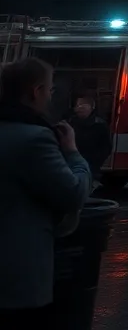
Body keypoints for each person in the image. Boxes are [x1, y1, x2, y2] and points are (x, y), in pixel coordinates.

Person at [0, 58, 92, 327]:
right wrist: (74, 154)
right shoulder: (35, 138)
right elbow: (73, 193)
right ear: (36, 91)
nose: (51, 97)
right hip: (18, 272)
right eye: (50, 90)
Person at [69, 92, 112, 180]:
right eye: (78, 105)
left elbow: (106, 147)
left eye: (83, 105)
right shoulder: (70, 123)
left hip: (91, 166)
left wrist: (96, 162)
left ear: (91, 108)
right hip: (72, 164)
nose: (80, 108)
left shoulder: (100, 125)